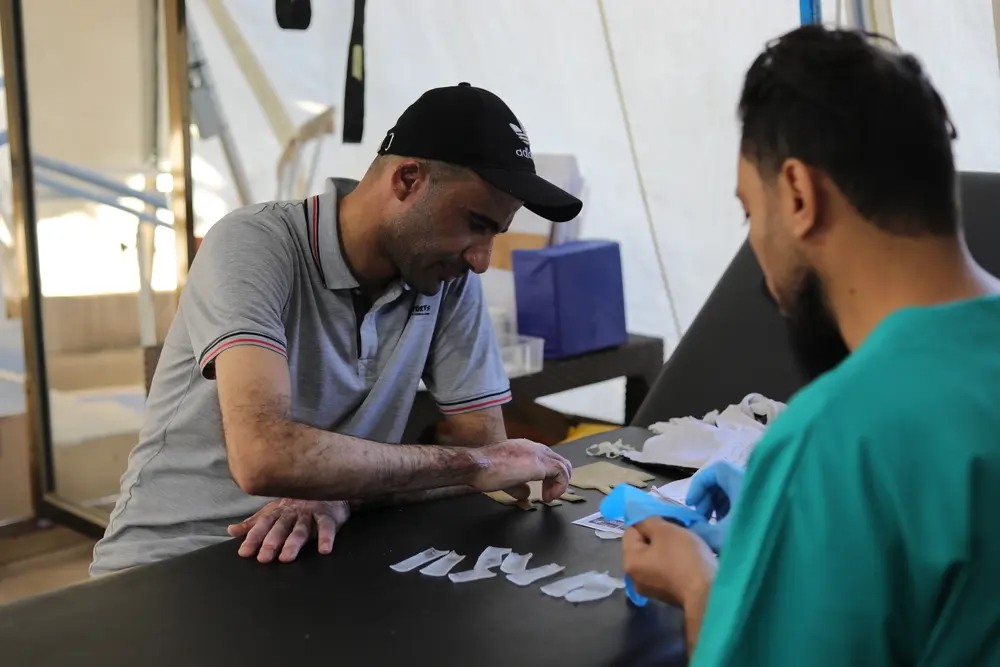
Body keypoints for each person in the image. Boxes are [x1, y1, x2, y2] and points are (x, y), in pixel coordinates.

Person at [90, 83, 582, 576]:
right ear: (407, 180)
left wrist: (344, 495)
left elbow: (483, 450)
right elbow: (264, 457)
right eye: (476, 222)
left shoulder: (444, 279)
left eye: (495, 232)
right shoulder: (254, 244)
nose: (481, 260)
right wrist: (475, 467)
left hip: (321, 556)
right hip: (175, 562)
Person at [622, 25, 1000, 666]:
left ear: (798, 194)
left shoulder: (839, 439)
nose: (759, 255)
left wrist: (699, 587)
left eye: (751, 213)